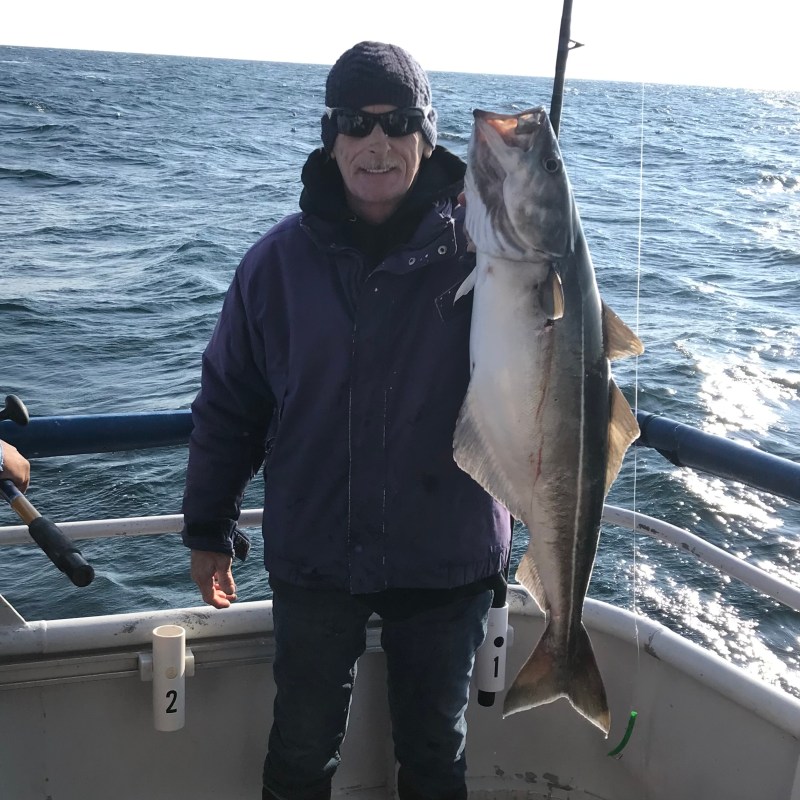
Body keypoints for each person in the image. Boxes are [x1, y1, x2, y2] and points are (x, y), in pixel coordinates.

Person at [181, 41, 511, 800]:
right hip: (318, 550)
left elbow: (555, 357)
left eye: (398, 122)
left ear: (427, 136)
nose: (377, 143)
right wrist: (208, 527)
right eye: (355, 124)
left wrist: (530, 236)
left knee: (436, 754)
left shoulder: (491, 252)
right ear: (330, 138)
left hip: (449, 548)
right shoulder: (273, 265)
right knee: (300, 751)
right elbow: (230, 404)